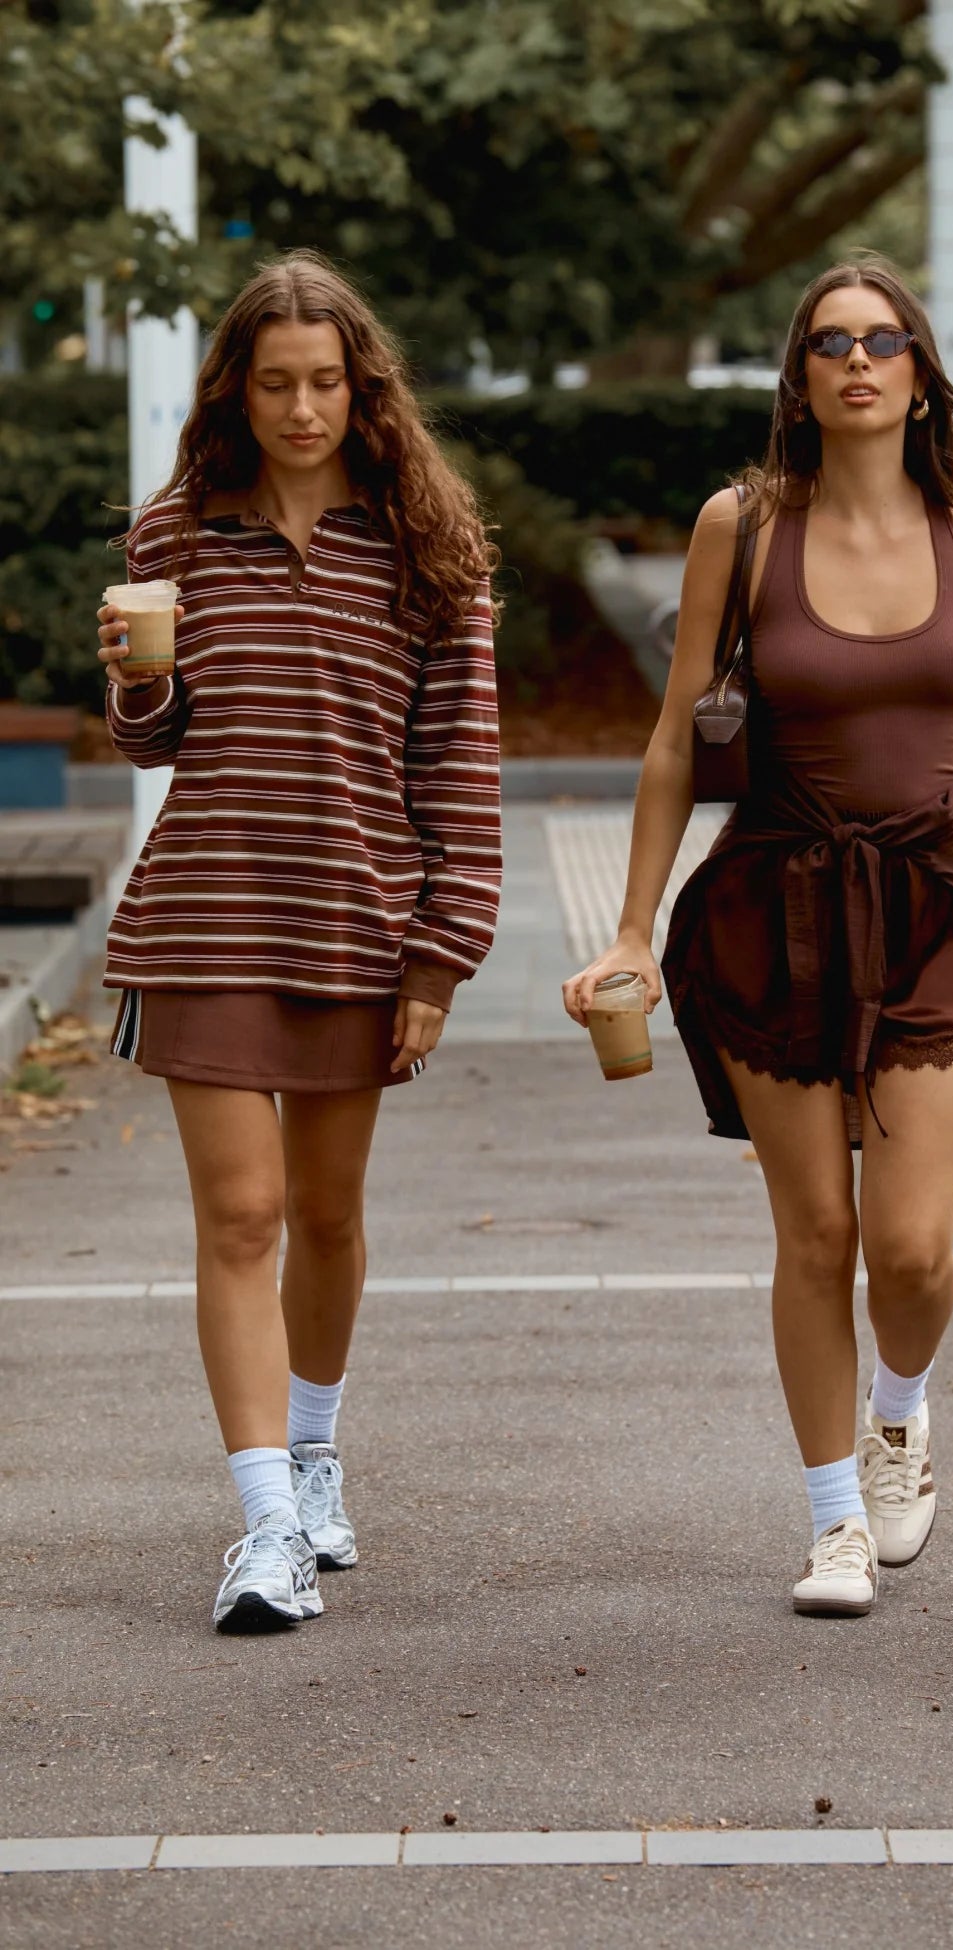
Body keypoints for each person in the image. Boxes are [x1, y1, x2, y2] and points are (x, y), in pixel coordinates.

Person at [562, 254, 953, 1618]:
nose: (857, 360)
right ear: (798, 377)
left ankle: (901, 1409)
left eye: (884, 341)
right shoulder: (743, 524)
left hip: (938, 913)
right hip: (774, 910)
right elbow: (677, 735)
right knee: (817, 1233)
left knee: (910, 1249)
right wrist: (626, 925)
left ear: (920, 378)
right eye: (830, 342)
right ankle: (834, 1517)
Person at [98, 251, 501, 1633]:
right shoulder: (176, 535)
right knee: (244, 1215)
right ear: (238, 390)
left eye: (326, 381)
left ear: (363, 388)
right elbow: (154, 736)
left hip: (355, 924)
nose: (303, 407)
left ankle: (318, 1456)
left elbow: (460, 761)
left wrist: (442, 954)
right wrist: (137, 675)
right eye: (275, 383)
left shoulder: (428, 545)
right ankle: (265, 1520)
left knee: (327, 1216)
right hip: (205, 916)